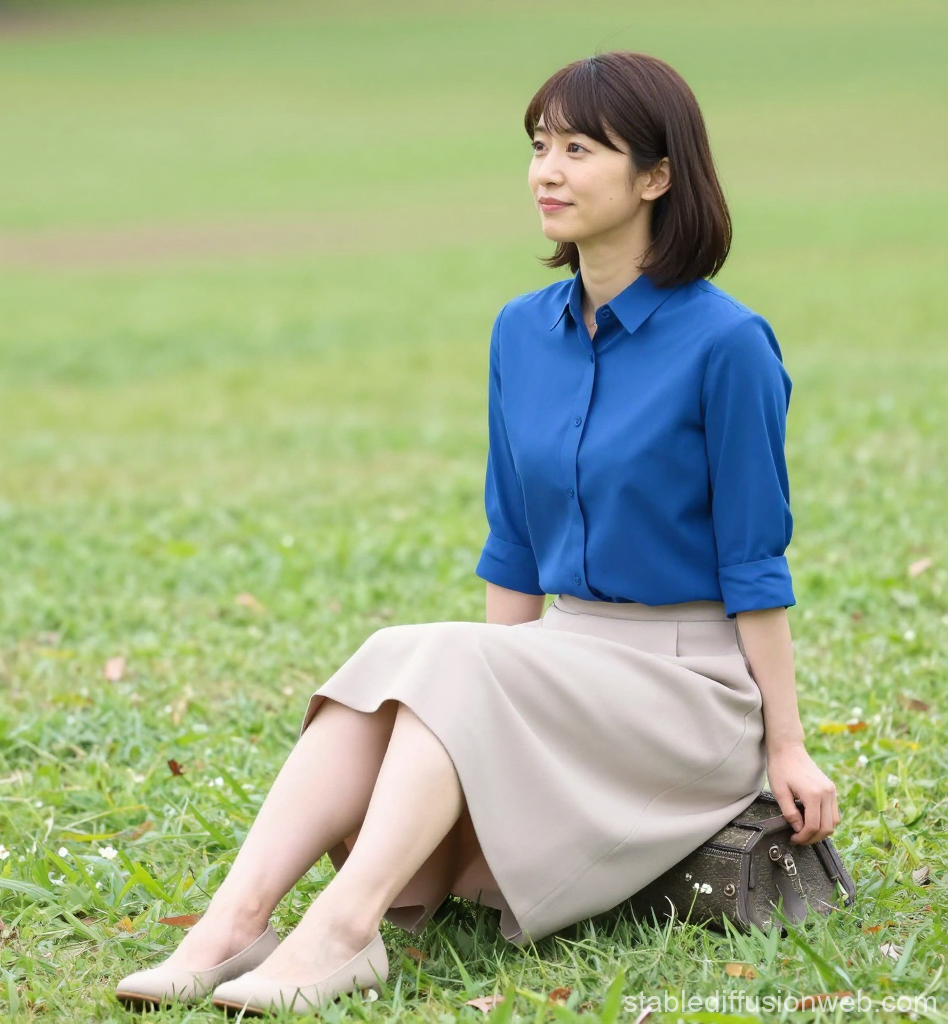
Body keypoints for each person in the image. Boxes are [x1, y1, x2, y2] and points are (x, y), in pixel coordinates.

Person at [115, 50, 842, 1015]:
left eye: (581, 148)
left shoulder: (728, 345)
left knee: (453, 666)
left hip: (688, 689)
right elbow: (515, 541)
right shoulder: (518, 332)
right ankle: (232, 924)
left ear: (657, 177)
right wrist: (495, 711)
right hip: (566, 660)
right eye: (540, 146)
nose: (548, 170)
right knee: (398, 654)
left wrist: (785, 748)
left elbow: (755, 560)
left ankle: (343, 932)